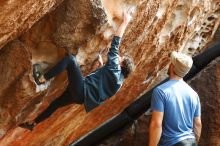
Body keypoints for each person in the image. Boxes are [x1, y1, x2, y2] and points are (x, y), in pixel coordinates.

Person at [20, 10, 135, 130]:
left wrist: (125, 22)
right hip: (80, 97)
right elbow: (101, 86)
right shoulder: (118, 83)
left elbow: (115, 44)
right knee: (56, 104)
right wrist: (100, 67)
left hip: (81, 90)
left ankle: (42, 78)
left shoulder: (115, 70)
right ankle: (33, 123)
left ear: (122, 66)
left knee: (70, 60)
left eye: (121, 59)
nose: (119, 57)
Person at [149, 51, 202, 146]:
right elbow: (197, 123)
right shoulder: (194, 94)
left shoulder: (160, 91)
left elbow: (156, 124)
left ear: (172, 66)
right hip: (191, 141)